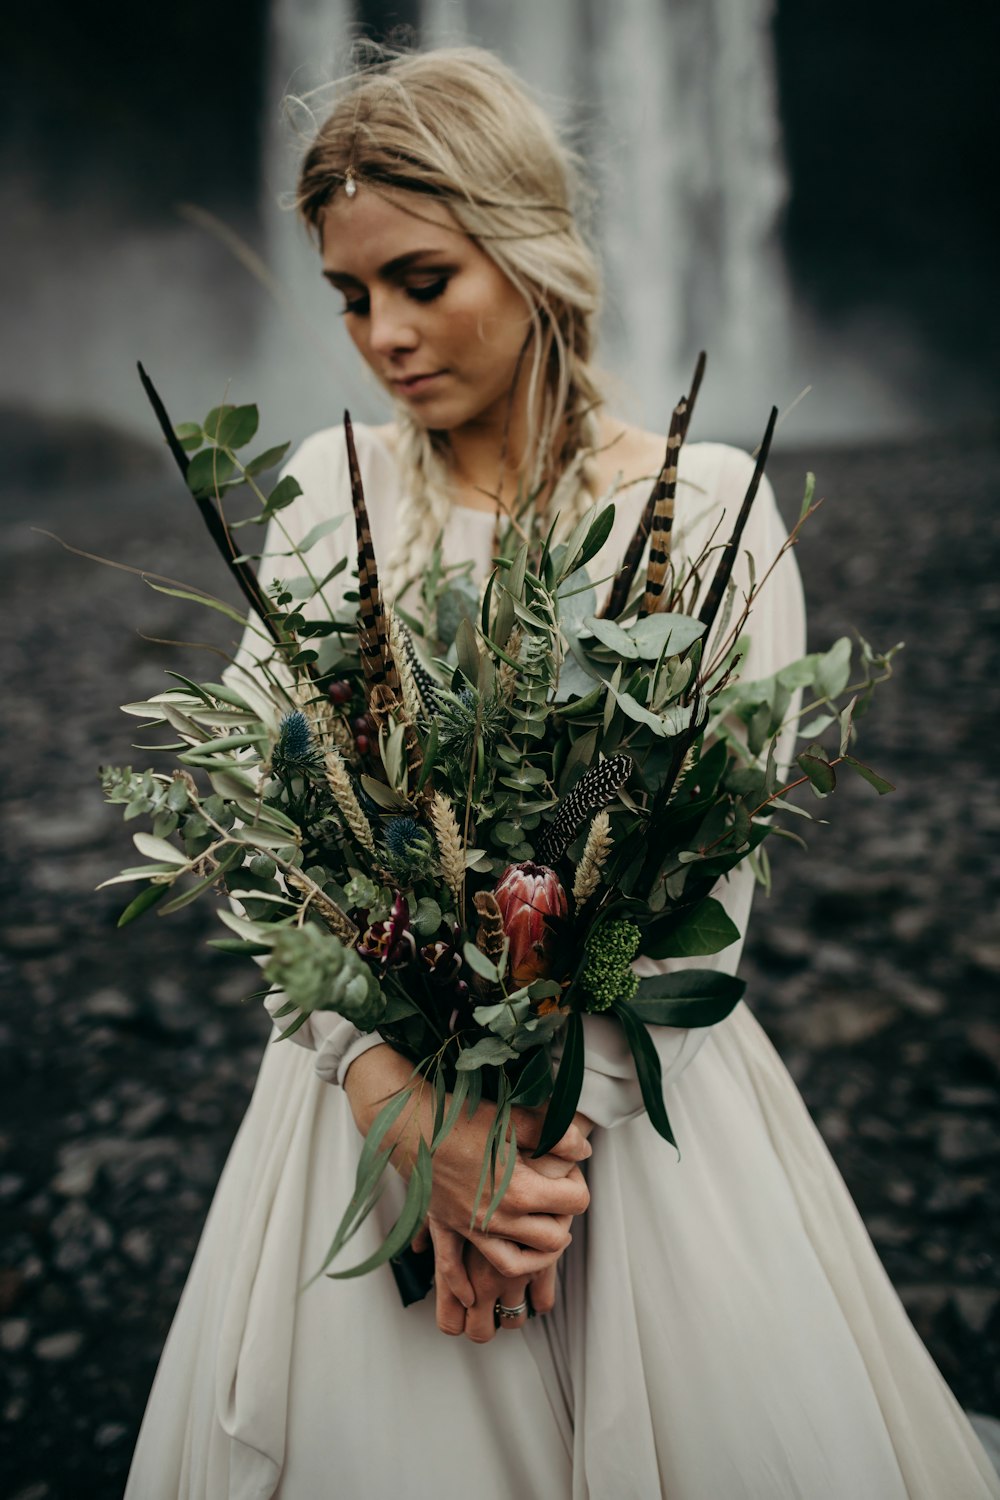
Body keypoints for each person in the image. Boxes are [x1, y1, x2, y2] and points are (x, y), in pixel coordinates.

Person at [125, 44, 1000, 1500]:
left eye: (421, 278)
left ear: (529, 254)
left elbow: (713, 859)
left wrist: (534, 1149)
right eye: (350, 297)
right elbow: (270, 848)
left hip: (627, 1123)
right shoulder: (321, 515)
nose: (383, 335)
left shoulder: (701, 509)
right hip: (365, 1101)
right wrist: (395, 1105)